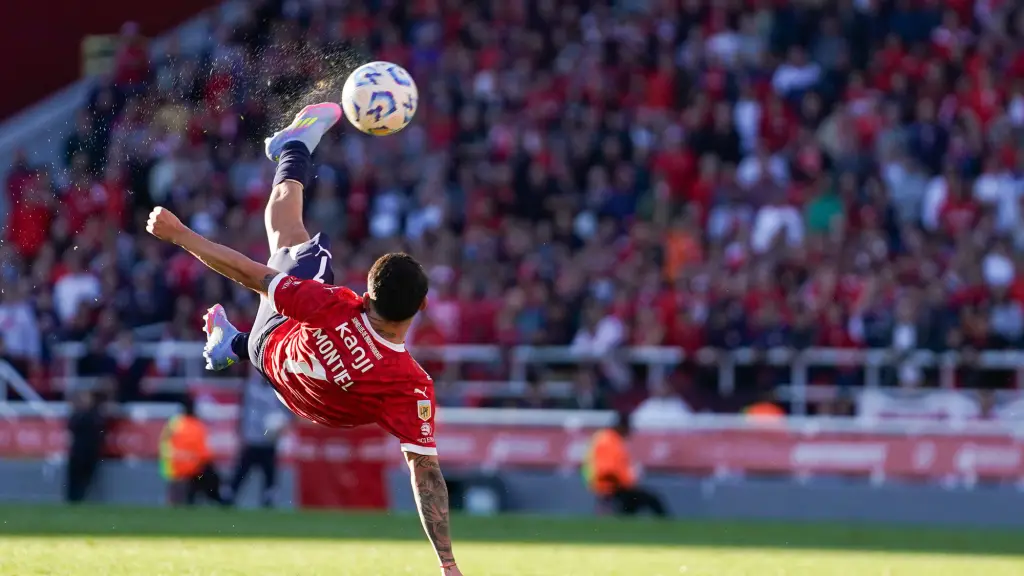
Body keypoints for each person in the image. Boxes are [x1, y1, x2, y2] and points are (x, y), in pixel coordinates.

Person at [145, 102, 462, 576]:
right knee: (287, 250)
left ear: (367, 291)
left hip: (273, 351)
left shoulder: (334, 305)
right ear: (421, 307)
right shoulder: (411, 385)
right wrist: (447, 563)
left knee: (290, 239)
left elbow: (247, 273)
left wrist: (180, 234)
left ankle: (293, 148)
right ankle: (230, 343)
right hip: (293, 390)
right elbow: (426, 474)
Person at [583, 411, 668, 518]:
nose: (629, 432)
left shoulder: (610, 439)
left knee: (633, 506)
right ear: (621, 427)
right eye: (628, 428)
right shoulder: (607, 441)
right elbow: (607, 470)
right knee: (652, 500)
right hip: (612, 489)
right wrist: (626, 484)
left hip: (614, 487)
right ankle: (667, 528)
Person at [226, 374, 290, 507]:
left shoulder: (278, 389)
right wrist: (240, 431)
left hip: (268, 439)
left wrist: (281, 424)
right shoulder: (250, 386)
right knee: (242, 469)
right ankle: (230, 494)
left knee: (269, 472)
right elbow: (243, 410)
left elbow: (286, 413)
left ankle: (269, 497)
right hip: (252, 438)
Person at [159, 397, 227, 506]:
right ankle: (217, 498)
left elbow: (163, 444)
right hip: (192, 470)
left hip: (173, 469)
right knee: (209, 475)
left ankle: (181, 500)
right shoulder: (198, 426)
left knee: (198, 475)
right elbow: (206, 454)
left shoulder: (173, 423)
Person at [66, 389, 106, 503]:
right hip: (78, 452)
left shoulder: (95, 415)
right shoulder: (77, 415)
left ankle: (82, 499)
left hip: (91, 452)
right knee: (75, 479)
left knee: (87, 479)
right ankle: (73, 499)